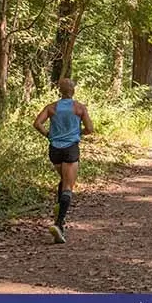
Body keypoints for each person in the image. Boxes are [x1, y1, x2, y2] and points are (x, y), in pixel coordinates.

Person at [33, 78, 94, 244]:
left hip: (54, 150)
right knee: (68, 185)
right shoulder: (79, 108)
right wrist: (77, 133)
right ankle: (58, 225)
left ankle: (59, 209)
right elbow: (90, 128)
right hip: (70, 148)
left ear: (60, 91)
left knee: (64, 180)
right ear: (73, 91)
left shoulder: (51, 107)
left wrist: (48, 135)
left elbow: (37, 123)